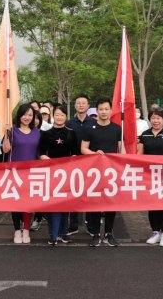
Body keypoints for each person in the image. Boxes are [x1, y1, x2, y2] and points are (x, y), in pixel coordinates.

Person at [81, 98, 124, 247]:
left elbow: (122, 149)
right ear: (96, 111)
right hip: (94, 172)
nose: (104, 112)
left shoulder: (117, 128)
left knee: (111, 203)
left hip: (112, 172)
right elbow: (83, 148)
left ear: (111, 110)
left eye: (106, 109)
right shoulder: (89, 128)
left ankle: (108, 233)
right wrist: (94, 154)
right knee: (95, 203)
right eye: (101, 109)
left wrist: (124, 160)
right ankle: (95, 234)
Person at [137, 108, 163, 247]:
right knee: (152, 203)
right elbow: (139, 154)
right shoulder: (145, 134)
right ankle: (155, 232)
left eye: (158, 118)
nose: (155, 121)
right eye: (153, 118)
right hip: (149, 175)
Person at [39, 105, 79, 245]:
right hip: (51, 172)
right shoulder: (46, 133)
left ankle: (64, 233)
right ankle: (53, 234)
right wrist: (46, 159)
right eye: (57, 115)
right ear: (52, 116)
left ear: (66, 117)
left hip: (67, 172)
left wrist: (71, 161)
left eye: (62, 115)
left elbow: (76, 153)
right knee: (53, 204)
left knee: (65, 203)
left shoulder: (71, 133)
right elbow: (41, 152)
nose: (59, 117)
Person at [3, 103, 41, 244]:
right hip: (15, 172)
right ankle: (17, 230)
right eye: (24, 114)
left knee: (28, 203)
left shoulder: (37, 132)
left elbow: (40, 152)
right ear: (19, 115)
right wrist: (6, 134)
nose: (27, 117)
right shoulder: (12, 130)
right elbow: (6, 150)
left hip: (32, 173)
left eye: (30, 115)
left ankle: (26, 230)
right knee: (15, 202)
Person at [66, 94, 97, 235]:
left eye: (84, 103)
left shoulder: (94, 123)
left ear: (88, 106)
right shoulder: (69, 123)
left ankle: (91, 226)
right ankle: (73, 225)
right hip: (74, 162)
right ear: (75, 105)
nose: (81, 105)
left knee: (90, 193)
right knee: (74, 193)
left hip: (91, 162)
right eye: (78, 103)